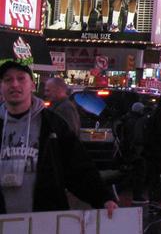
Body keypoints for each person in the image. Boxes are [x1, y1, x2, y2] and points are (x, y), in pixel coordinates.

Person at [0, 60, 117, 215]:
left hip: (44, 220)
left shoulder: (53, 124)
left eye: (21, 78)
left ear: (33, 86)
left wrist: (103, 198)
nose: (14, 84)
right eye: (8, 79)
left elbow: (78, 166)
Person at [121, 102, 149, 204]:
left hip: (128, 151)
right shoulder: (137, 121)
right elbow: (138, 137)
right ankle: (137, 196)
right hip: (135, 152)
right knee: (139, 173)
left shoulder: (127, 119)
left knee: (132, 173)